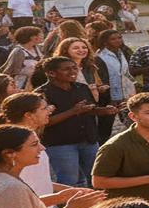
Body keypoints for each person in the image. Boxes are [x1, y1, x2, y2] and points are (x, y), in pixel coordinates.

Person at [36, 56, 112, 187]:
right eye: (66, 69)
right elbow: (44, 122)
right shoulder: (42, 94)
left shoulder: (82, 87)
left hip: (88, 140)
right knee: (70, 181)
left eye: (74, 68)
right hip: (61, 143)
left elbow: (88, 109)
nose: (73, 72)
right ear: (51, 73)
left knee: (96, 177)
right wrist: (73, 111)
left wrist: (104, 111)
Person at [55, 36, 116, 138]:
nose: (81, 50)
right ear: (66, 50)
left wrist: (98, 88)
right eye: (76, 48)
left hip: (90, 107)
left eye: (84, 47)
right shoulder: (59, 68)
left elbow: (92, 85)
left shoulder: (90, 67)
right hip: (69, 108)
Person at [96, 29, 136, 138]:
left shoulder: (122, 52)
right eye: (113, 39)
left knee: (130, 123)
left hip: (126, 93)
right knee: (107, 126)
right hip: (109, 95)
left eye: (119, 38)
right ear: (105, 42)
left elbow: (126, 73)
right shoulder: (100, 56)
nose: (118, 41)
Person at [0, 25, 44, 90]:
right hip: (22, 85)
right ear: (32, 37)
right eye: (40, 35)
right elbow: (11, 71)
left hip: (37, 83)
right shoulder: (19, 51)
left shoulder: (37, 48)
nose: (42, 36)